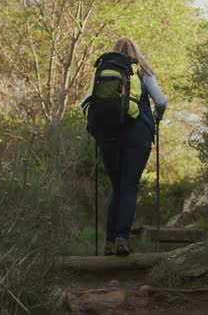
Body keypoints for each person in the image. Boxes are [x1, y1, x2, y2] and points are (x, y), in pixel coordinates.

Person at [81, 38, 167, 256]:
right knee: (129, 186)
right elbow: (161, 101)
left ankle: (109, 243)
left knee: (117, 187)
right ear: (135, 52)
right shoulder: (142, 71)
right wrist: (156, 117)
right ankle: (122, 238)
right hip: (137, 134)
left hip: (107, 135)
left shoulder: (102, 72)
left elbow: (85, 103)